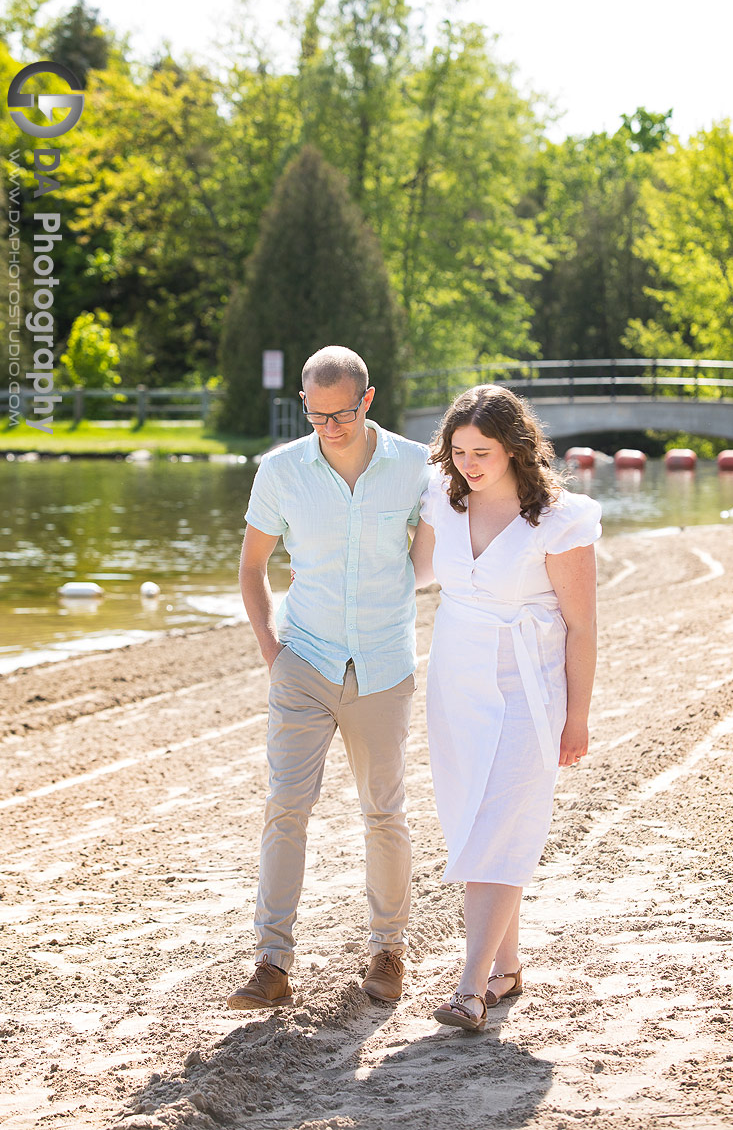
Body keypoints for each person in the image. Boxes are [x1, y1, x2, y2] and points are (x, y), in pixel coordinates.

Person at [227, 346, 432, 1010]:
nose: (329, 428)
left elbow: (430, 559)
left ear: (367, 400)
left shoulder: (415, 467)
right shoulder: (281, 470)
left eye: (341, 415)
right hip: (304, 662)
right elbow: (252, 566)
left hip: (383, 665)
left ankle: (388, 951)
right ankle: (272, 962)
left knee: (384, 811)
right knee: (285, 807)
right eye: (315, 416)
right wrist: (273, 651)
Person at [408, 384, 601, 1031]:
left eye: (481, 452)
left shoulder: (560, 520)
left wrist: (577, 716)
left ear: (515, 448)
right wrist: (331, 576)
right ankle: (507, 966)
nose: (468, 464)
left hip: (529, 687)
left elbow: (582, 627)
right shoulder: (442, 499)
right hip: (456, 684)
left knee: (498, 825)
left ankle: (469, 989)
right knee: (473, 820)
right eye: (459, 451)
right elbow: (414, 575)